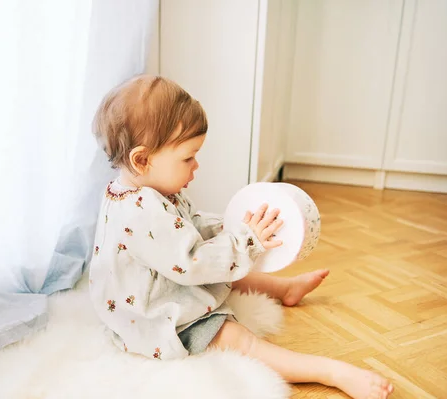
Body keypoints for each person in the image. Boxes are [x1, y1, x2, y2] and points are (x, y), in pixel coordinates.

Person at [88, 74, 393, 399]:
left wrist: (232, 227)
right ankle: (330, 371)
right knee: (238, 338)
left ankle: (284, 288)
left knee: (228, 272)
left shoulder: (144, 190)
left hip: (164, 277)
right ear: (142, 159)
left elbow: (189, 225)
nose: (196, 166)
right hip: (153, 313)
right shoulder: (140, 210)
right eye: (188, 157)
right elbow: (193, 263)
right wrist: (246, 242)